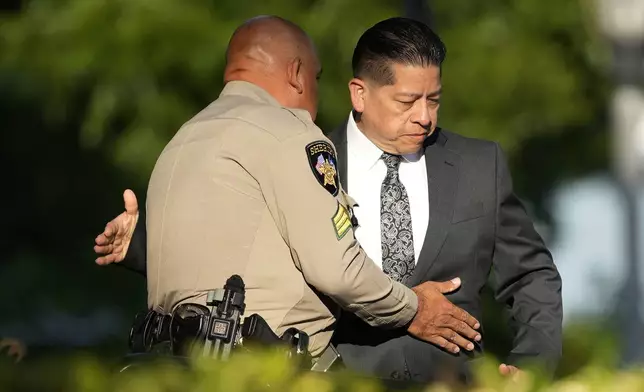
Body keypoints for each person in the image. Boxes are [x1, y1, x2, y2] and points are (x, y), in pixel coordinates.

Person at [95, 16, 562, 384]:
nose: (424, 117)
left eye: (433, 99)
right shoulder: (303, 150)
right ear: (359, 93)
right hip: (325, 377)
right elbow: (258, 252)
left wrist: (533, 363)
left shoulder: (482, 166)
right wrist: (143, 245)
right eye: (406, 101)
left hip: (448, 381)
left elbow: (532, 274)